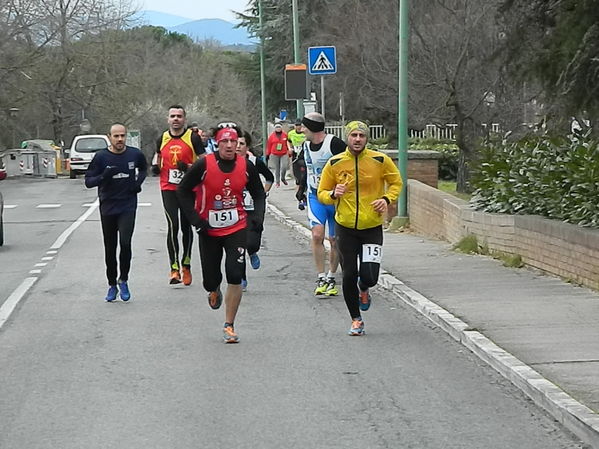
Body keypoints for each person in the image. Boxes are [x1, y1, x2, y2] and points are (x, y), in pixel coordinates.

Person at [178, 125, 266, 343]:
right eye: (224, 142)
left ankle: (229, 325)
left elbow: (258, 193)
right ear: (217, 143)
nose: (229, 146)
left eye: (233, 142)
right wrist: (195, 220)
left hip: (236, 227)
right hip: (208, 228)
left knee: (235, 274)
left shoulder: (246, 165)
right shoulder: (204, 164)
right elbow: (183, 190)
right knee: (210, 278)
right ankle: (213, 289)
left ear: (238, 144)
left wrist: (256, 218)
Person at [317, 120, 402, 336]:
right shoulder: (335, 163)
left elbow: (396, 182)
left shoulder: (379, 160)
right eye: (353, 135)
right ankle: (356, 319)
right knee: (348, 275)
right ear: (347, 137)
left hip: (371, 226)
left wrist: (386, 198)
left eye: (361, 136)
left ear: (366, 139)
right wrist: (334, 194)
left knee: (369, 276)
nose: (357, 139)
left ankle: (364, 289)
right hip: (345, 227)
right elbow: (322, 193)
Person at [85, 123, 148, 302]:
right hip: (108, 207)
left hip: (127, 205)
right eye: (116, 136)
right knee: (110, 247)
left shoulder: (134, 154)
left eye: (122, 136)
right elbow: (88, 181)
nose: (120, 140)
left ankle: (124, 280)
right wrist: (103, 176)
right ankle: (112, 283)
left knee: (126, 243)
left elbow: (143, 169)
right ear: (109, 137)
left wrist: (138, 183)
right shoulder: (101, 157)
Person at [151, 105, 205, 285]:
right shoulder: (162, 138)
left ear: (184, 120)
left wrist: (189, 168)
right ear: (168, 119)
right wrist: (155, 166)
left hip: (188, 189)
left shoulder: (193, 138)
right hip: (168, 188)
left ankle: (186, 265)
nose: (176, 119)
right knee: (172, 226)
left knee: (185, 227)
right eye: (172, 116)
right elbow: (157, 156)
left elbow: (205, 163)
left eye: (179, 116)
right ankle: (173, 269)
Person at [297, 112, 346, 297]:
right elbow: (307, 168)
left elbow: (348, 165)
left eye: (304, 127)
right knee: (317, 235)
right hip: (315, 197)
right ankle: (320, 275)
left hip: (335, 199)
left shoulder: (334, 144)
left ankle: (332, 276)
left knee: (334, 240)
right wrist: (301, 188)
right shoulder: (306, 146)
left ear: (312, 128)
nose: (301, 130)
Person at [236, 130, 274, 291]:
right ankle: (241, 277)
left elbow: (270, 177)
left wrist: (262, 192)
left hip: (253, 207)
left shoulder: (254, 161)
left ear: (248, 146)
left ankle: (253, 252)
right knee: (239, 245)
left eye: (241, 144)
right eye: (235, 143)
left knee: (251, 242)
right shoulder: (226, 162)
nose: (237, 147)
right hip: (236, 208)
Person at [287, 119, 307, 207]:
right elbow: (288, 141)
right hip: (295, 157)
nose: (298, 127)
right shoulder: (291, 133)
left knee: (304, 177)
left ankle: (305, 196)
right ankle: (300, 199)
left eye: (299, 125)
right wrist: (290, 148)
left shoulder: (305, 133)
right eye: (296, 125)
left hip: (304, 157)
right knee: (298, 179)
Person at [265, 123, 288, 187]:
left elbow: (287, 144)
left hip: (284, 153)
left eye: (279, 127)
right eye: (277, 127)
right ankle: (277, 182)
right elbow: (269, 146)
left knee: (284, 166)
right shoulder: (272, 136)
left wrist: (289, 151)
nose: (278, 128)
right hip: (274, 154)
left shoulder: (285, 135)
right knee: (277, 168)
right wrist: (267, 154)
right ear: (275, 128)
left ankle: (283, 178)